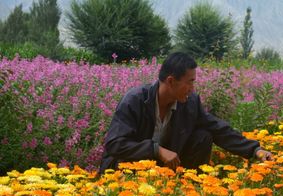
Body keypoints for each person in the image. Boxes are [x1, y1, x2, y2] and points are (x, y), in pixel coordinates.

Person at [99, 52, 272, 173]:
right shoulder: (135, 100)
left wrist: (255, 150)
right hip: (127, 168)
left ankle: (187, 187)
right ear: (171, 81)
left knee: (204, 135)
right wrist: (156, 150)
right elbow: (115, 144)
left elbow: (218, 129)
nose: (192, 88)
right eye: (189, 82)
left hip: (162, 169)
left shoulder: (189, 103)